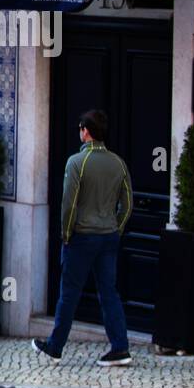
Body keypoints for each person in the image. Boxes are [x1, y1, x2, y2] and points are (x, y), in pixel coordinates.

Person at [34, 109, 133, 366]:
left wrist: (66, 234)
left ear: (85, 131)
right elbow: (128, 204)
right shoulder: (119, 163)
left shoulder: (77, 162)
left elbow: (69, 205)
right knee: (109, 293)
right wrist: (117, 227)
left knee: (69, 294)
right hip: (108, 237)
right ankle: (120, 348)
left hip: (82, 237)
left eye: (80, 128)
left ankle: (55, 347)